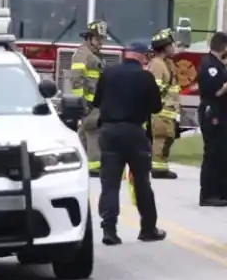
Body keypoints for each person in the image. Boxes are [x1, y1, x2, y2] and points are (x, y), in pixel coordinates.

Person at [92, 40, 167, 246]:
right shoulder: (145, 77)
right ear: (143, 56)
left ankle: (109, 229)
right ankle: (148, 228)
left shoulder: (108, 73)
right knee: (141, 182)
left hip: (109, 131)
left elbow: (97, 101)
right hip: (134, 132)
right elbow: (156, 107)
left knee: (110, 183)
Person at [197, 32, 227, 207]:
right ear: (223, 46)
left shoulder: (220, 65)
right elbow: (216, 91)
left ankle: (223, 192)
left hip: (224, 114)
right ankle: (208, 194)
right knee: (213, 154)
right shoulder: (209, 65)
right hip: (213, 113)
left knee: (224, 155)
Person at [69, 21, 107, 177]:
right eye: (98, 39)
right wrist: (82, 102)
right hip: (89, 103)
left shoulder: (93, 55)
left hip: (95, 102)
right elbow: (77, 79)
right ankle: (94, 166)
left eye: (102, 39)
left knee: (84, 132)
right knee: (93, 131)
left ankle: (74, 162)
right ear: (89, 38)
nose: (101, 43)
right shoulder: (83, 54)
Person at [146, 28, 182, 179]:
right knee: (160, 138)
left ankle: (162, 166)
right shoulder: (157, 65)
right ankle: (158, 169)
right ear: (164, 47)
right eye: (171, 45)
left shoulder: (167, 63)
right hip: (160, 111)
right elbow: (154, 89)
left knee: (167, 138)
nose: (173, 48)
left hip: (169, 111)